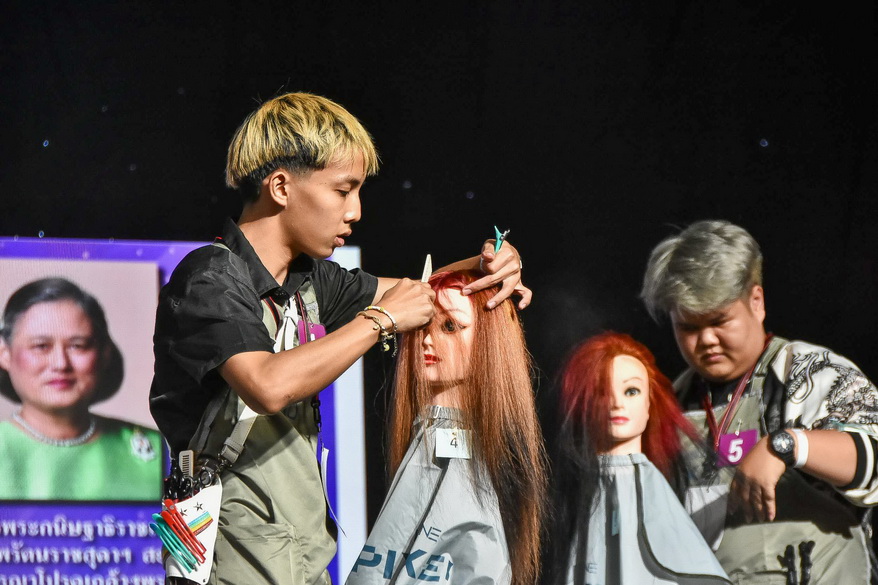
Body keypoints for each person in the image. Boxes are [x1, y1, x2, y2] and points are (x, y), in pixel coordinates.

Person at [149, 93, 529, 585]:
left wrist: (489, 264)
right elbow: (266, 385)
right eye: (343, 190)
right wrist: (379, 320)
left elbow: (421, 290)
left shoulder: (310, 282)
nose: (356, 211)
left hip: (304, 562)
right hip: (231, 564)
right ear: (281, 187)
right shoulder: (210, 280)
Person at [641, 219, 878, 584]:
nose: (706, 339)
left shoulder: (806, 371)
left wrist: (786, 445)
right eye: (688, 327)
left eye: (719, 321)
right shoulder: (673, 401)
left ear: (756, 302)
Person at [346, 270, 546, 585]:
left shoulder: (463, 446)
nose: (427, 340)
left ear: (490, 339)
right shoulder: (429, 433)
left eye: (450, 326)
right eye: (423, 326)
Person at [543, 331, 730, 585]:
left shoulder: (651, 486)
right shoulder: (570, 494)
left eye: (631, 391)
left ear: (649, 403)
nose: (616, 403)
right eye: (600, 391)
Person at [0, 277, 162, 501]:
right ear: (5, 354)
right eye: (41, 346)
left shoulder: (157, 449)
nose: (60, 364)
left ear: (104, 354)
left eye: (78, 346)